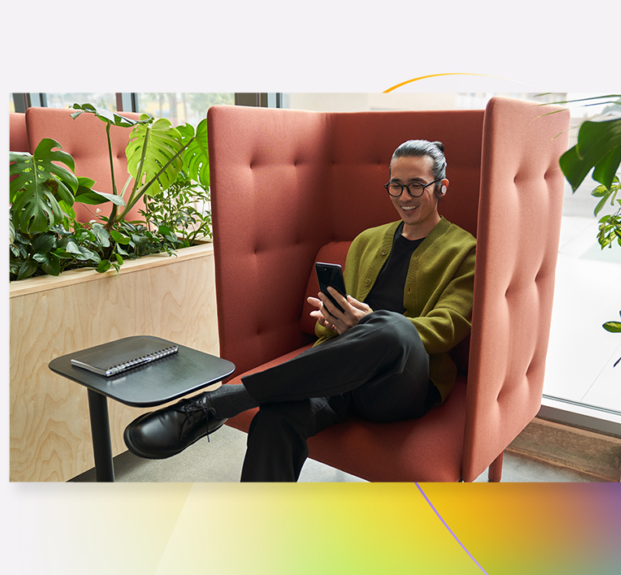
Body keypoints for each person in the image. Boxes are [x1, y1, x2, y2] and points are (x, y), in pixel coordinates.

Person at [123, 140, 476, 481]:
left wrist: (369, 323)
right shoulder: (367, 241)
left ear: (441, 186)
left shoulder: (465, 250)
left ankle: (219, 403)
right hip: (338, 372)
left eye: (417, 186)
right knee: (276, 419)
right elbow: (330, 327)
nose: (404, 197)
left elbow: (448, 327)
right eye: (396, 186)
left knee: (393, 328)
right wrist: (334, 321)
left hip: (401, 384)